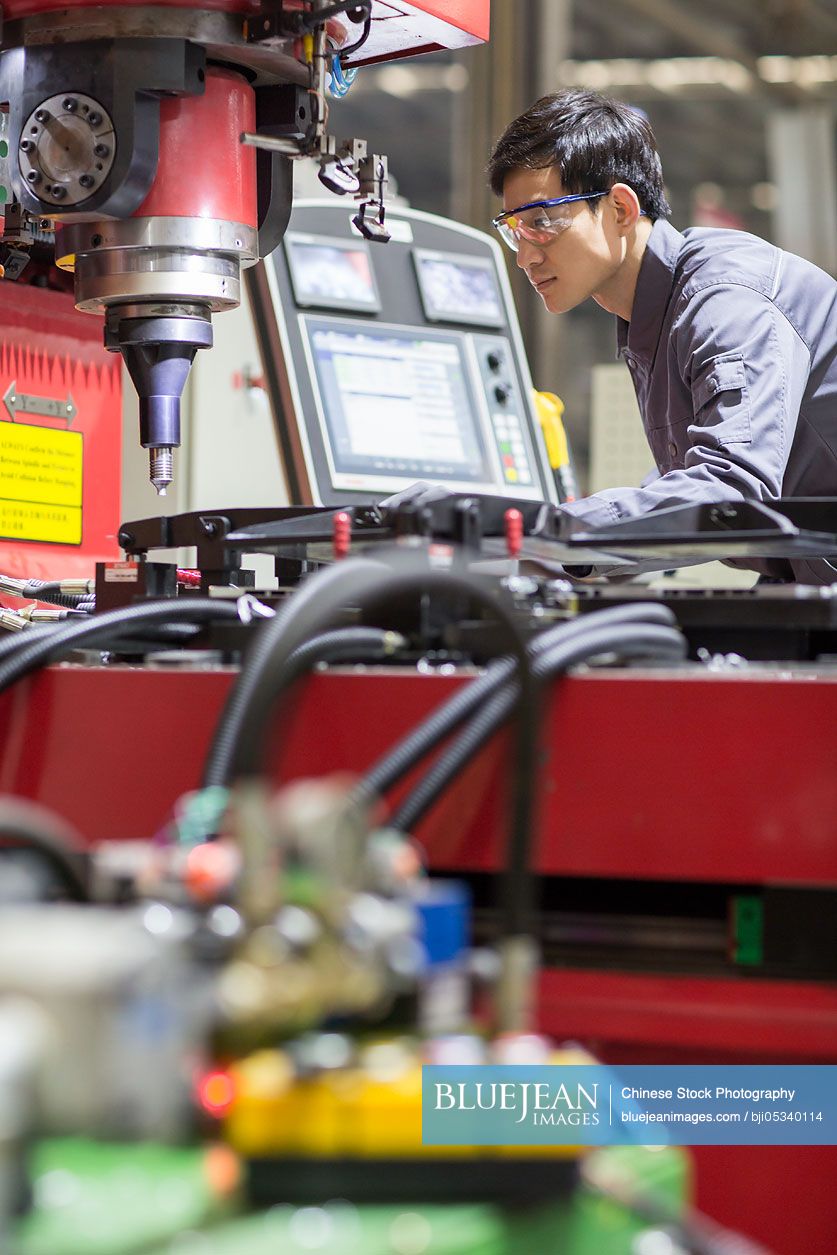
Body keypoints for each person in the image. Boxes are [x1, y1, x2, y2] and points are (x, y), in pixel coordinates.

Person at [487, 88, 837, 583]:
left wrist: (558, 531)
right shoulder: (654, 314)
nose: (525, 257)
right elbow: (697, 477)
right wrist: (572, 549)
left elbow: (731, 493)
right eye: (514, 229)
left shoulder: (723, 299)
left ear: (622, 209)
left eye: (542, 223)